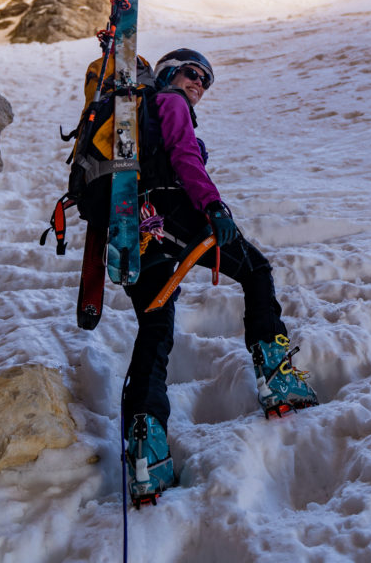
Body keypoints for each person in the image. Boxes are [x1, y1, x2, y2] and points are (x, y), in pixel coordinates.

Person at [122, 48, 318, 506]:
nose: (199, 84)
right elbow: (183, 154)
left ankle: (146, 453)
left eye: (206, 81)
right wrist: (212, 207)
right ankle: (278, 379)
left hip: (135, 228)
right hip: (173, 211)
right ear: (170, 74)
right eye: (192, 73)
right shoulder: (169, 103)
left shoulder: (140, 115)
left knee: (154, 328)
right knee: (256, 269)